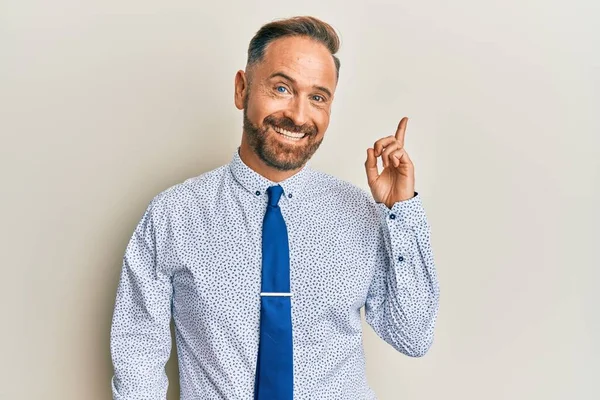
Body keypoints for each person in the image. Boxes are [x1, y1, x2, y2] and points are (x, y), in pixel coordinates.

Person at [110, 15, 440, 400]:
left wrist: (400, 212)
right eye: (282, 88)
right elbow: (138, 355)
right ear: (242, 89)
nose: (299, 116)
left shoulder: (362, 215)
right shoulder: (174, 215)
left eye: (318, 97)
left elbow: (413, 335)